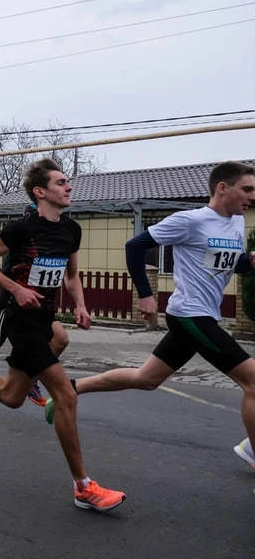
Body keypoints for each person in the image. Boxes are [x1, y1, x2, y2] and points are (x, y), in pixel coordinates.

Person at [0, 158, 125, 512]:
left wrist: (80, 305)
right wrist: (15, 289)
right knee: (66, 395)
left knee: (12, 396)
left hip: (44, 316)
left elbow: (72, 275)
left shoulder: (71, 230)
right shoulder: (19, 229)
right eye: (61, 183)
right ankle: (83, 486)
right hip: (17, 316)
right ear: (40, 191)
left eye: (68, 182)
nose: (69, 187)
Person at [46, 161, 255, 478]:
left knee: (147, 379)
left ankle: (72, 388)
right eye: (247, 189)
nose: (252, 197)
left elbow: (229, 262)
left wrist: (248, 261)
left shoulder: (237, 223)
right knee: (253, 381)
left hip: (203, 315)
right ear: (222, 188)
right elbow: (136, 245)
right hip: (190, 314)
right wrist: (145, 294)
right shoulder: (191, 221)